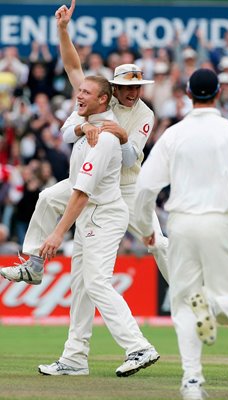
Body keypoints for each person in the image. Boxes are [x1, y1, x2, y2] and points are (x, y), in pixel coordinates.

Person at [0, 0, 168, 286]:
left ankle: (188, 295)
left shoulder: (145, 113)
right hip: (91, 179)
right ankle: (35, 264)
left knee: (158, 243)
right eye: (127, 88)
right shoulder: (102, 98)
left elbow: (129, 159)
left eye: (137, 87)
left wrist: (120, 136)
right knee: (47, 198)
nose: (132, 93)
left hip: (126, 186)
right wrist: (63, 30)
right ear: (114, 88)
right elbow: (71, 65)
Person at [134, 68, 228, 399]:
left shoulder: (174, 134)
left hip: (181, 224)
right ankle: (210, 303)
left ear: (189, 95)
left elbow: (146, 185)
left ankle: (192, 381)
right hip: (222, 222)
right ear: (219, 93)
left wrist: (147, 228)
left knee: (182, 307)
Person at [35, 74, 158, 376]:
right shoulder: (83, 125)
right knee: (80, 286)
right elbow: (71, 67)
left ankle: (138, 346)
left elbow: (80, 193)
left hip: (103, 214)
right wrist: (63, 32)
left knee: (95, 282)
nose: (78, 96)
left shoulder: (104, 138)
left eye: (85, 92)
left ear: (103, 99)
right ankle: (75, 358)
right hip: (91, 213)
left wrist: (56, 234)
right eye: (79, 90)